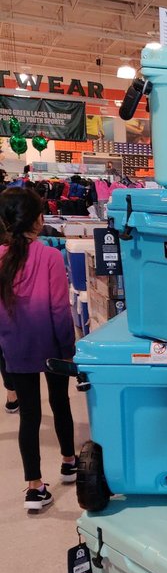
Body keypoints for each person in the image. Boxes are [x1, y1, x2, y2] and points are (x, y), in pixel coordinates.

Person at [0, 186, 77, 511]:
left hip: (14, 346)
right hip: (51, 345)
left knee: (29, 415)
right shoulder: (50, 256)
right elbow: (60, 310)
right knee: (60, 403)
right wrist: (68, 349)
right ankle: (69, 461)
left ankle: (34, 486)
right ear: (38, 220)